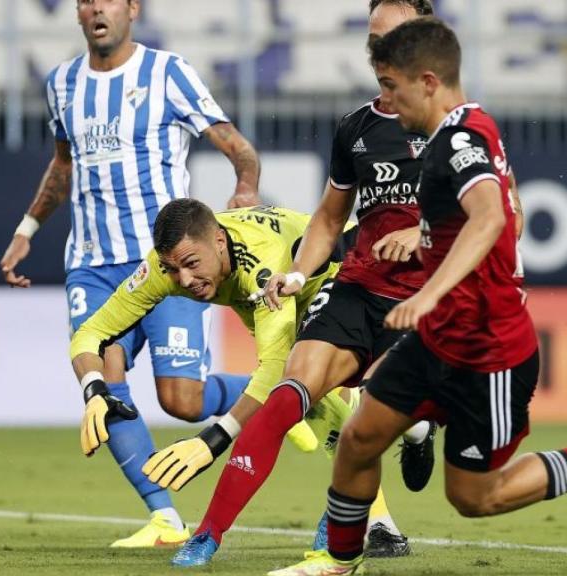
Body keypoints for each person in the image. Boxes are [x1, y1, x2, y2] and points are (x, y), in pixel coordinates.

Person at [270, 17, 567, 576]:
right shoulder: (446, 134)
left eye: (393, 89)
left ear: (427, 81)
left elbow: (492, 216)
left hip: (488, 351)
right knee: (357, 439)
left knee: (474, 498)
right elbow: (454, 226)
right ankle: (339, 560)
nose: (387, 102)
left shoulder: (463, 137)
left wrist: (430, 291)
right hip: (436, 339)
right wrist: (422, 246)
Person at [160, 1, 441, 567]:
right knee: (293, 389)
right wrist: (296, 274)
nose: (380, 50)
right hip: (359, 283)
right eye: (374, 38)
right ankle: (208, 534)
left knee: (372, 417)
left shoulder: (457, 124)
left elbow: (503, 214)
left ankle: (413, 434)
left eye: (395, 36)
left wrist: (423, 231)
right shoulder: (356, 128)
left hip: (425, 298)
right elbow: (329, 222)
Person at [0, 0, 262, 548]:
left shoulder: (168, 73)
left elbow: (236, 145)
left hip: (164, 266)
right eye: (86, 0)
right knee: (103, 383)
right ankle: (164, 518)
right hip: (92, 264)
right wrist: (28, 227)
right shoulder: (62, 84)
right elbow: (63, 165)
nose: (97, 8)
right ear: (77, 14)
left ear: (132, 9)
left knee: (181, 401)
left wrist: (245, 185)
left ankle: (277, 394)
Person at [71, 199, 408, 557]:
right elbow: (91, 332)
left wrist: (213, 440)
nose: (183, 281)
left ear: (219, 242)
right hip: (280, 298)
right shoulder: (164, 268)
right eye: (172, 269)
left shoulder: (262, 263)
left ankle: (369, 510)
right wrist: (93, 387)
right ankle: (376, 521)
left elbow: (278, 369)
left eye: (190, 264)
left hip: (341, 270)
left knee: (305, 385)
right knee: (312, 401)